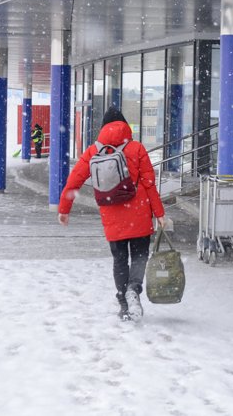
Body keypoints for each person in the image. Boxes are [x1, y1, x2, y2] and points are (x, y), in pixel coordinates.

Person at [57, 107, 165, 321]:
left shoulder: (94, 151)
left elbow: (74, 181)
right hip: (139, 212)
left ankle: (124, 304)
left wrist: (64, 209)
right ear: (125, 125)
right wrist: (159, 213)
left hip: (111, 213)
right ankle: (134, 288)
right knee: (140, 256)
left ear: (103, 128)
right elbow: (149, 184)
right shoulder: (136, 148)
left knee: (120, 259)